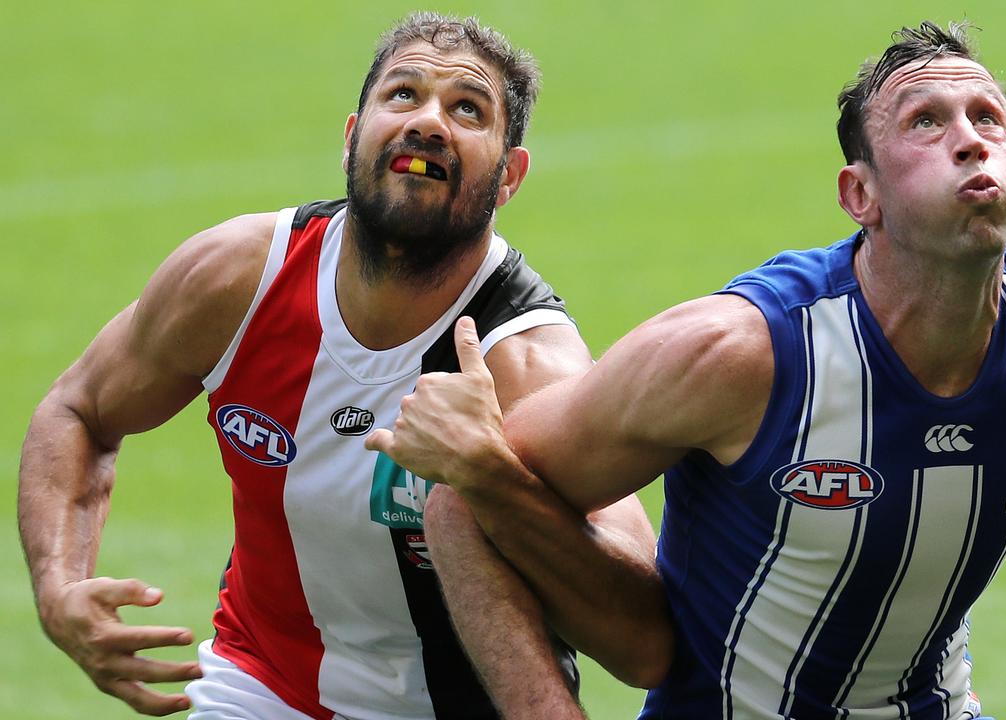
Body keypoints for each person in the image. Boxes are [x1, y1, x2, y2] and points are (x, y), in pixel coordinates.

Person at [368, 21, 1006, 719]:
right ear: (859, 197)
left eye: (988, 120)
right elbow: (463, 501)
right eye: (926, 124)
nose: (970, 141)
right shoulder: (737, 354)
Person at [18, 12, 669, 720]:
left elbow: (642, 643)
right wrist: (59, 587)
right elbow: (79, 409)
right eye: (403, 95)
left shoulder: (527, 362)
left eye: (467, 109)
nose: (427, 122)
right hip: (262, 687)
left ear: (508, 177)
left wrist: (495, 478)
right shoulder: (238, 278)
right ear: (352, 136)